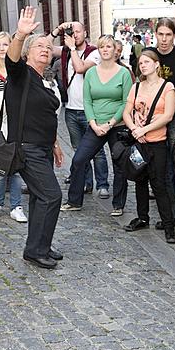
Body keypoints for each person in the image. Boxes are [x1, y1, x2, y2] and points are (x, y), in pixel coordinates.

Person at [7, 7, 64, 269]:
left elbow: (42, 116)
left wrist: (54, 144)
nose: (45, 49)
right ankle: (35, 249)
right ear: (29, 52)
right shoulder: (21, 75)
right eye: (39, 45)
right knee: (51, 195)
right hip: (27, 149)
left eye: (48, 46)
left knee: (39, 198)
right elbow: (11, 60)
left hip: (42, 148)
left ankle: (39, 245)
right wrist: (20, 34)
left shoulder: (43, 80)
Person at [61, 35, 134, 216]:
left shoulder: (124, 73)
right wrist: (93, 123)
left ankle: (118, 205)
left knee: (119, 164)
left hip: (117, 126)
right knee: (79, 159)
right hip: (95, 125)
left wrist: (110, 124)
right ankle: (74, 201)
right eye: (102, 47)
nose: (105, 50)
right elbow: (87, 100)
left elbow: (126, 102)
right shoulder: (91, 73)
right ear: (98, 50)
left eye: (109, 46)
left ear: (115, 50)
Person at [121, 49, 175, 242]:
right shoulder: (136, 87)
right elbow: (126, 113)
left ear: (156, 64)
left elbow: (168, 115)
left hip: (157, 142)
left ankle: (169, 226)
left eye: (146, 62)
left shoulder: (167, 87)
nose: (143, 65)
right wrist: (135, 129)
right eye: (141, 63)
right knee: (139, 180)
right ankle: (142, 217)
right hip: (139, 142)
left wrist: (144, 130)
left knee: (159, 184)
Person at [50, 21, 109, 198]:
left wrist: (71, 49)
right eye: (71, 32)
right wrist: (56, 31)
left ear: (85, 33)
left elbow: (80, 68)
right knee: (79, 150)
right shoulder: (66, 51)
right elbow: (45, 46)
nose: (74, 35)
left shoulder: (94, 53)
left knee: (97, 151)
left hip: (90, 110)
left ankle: (103, 184)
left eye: (77, 31)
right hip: (71, 110)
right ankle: (87, 183)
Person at [149, 18, 175, 231]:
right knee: (160, 170)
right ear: (155, 34)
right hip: (151, 119)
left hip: (174, 117)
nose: (164, 39)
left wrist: (165, 115)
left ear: (174, 36)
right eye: (161, 34)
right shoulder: (148, 54)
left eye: (168, 35)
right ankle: (169, 216)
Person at [0, 32, 27, 222]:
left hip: (16, 126)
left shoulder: (18, 70)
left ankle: (16, 206)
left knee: (15, 169)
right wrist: (3, 100)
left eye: (6, 44)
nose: (2, 48)